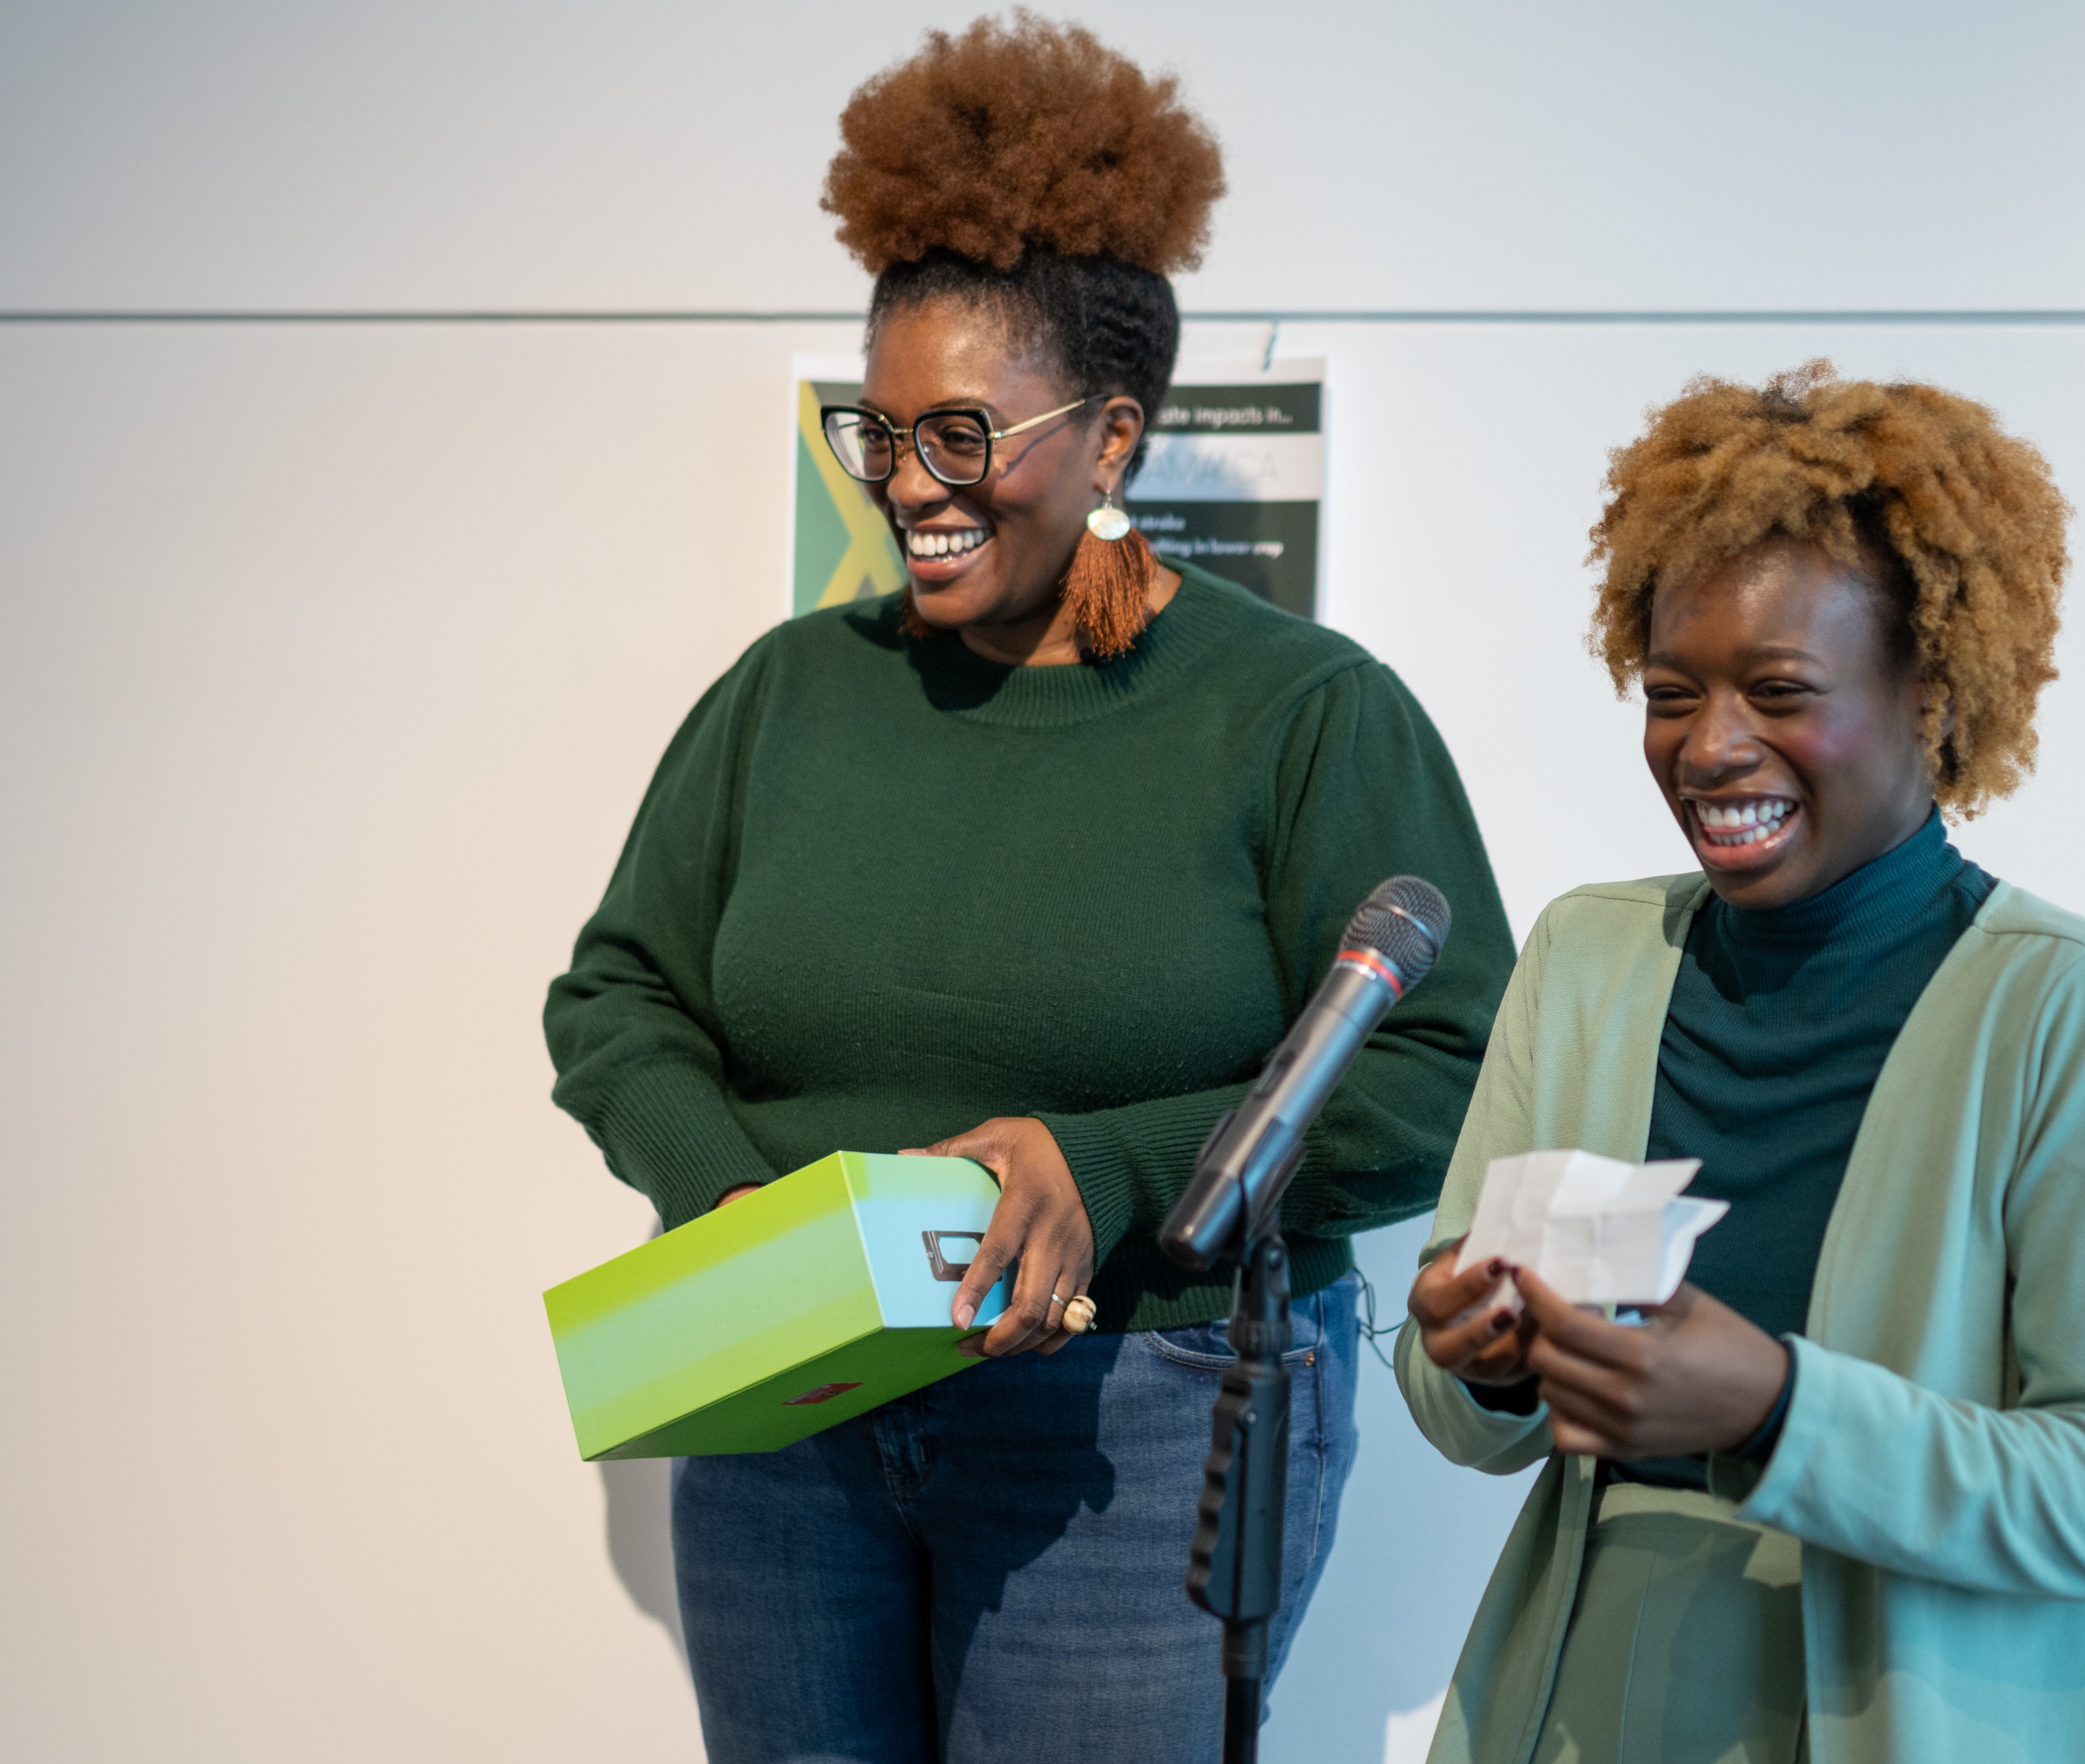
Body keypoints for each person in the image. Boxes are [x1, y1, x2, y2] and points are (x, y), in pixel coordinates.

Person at [543, 17, 1514, 1761]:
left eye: (964, 437)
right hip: (789, 1399)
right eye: (879, 432)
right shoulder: (788, 694)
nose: (909, 487)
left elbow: (1441, 1067)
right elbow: (617, 998)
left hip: (1133, 1411)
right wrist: (732, 1210)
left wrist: (1119, 1168)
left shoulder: (1298, 714)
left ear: (1114, 434)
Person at [1399, 364, 2085, 1764]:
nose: (1712, 746)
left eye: (1781, 691)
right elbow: (1465, 1414)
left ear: (1933, 693)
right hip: (1587, 1693)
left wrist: (1778, 1407)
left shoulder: (2076, 1012)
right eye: (1673, 693)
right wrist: (1479, 1359)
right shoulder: (1589, 958)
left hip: (1919, 1710)